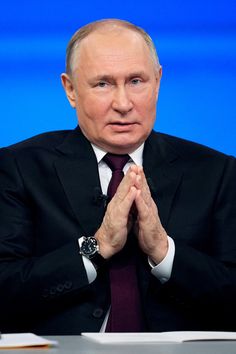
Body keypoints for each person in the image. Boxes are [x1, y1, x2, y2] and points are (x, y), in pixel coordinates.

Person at [0, 19, 235, 335]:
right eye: (103, 84)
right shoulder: (18, 168)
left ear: (158, 81)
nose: (123, 104)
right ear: (70, 90)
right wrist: (96, 247)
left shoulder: (217, 172)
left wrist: (165, 252)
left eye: (136, 81)